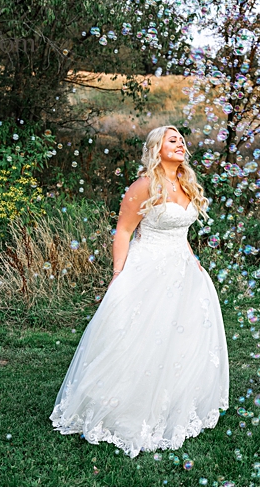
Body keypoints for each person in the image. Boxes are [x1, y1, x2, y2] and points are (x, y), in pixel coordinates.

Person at [50, 125, 230, 457]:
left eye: (181, 140)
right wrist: (119, 274)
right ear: (155, 148)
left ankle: (174, 403)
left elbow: (182, 233)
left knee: (183, 340)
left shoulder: (186, 184)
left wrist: (194, 261)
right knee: (142, 338)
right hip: (149, 268)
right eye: (171, 140)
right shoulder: (144, 185)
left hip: (184, 271)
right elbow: (123, 231)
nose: (179, 144)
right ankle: (127, 407)